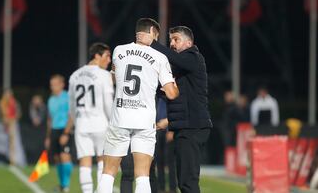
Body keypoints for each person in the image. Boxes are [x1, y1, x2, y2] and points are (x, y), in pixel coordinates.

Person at [97, 18, 179, 193]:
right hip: (144, 120)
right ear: (151, 31)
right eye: (155, 36)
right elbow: (171, 93)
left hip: (120, 116)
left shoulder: (119, 51)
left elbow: (113, 79)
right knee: (142, 175)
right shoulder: (159, 56)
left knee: (108, 173)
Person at [137, 25, 213, 193]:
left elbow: (173, 59)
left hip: (193, 127)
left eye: (176, 39)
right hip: (184, 127)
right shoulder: (180, 66)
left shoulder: (194, 57)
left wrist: (153, 44)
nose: (172, 43)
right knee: (184, 181)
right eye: (170, 39)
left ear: (189, 42)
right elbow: (176, 95)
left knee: (188, 182)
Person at [68, 43, 114, 193]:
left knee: (85, 163)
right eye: (107, 56)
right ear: (97, 56)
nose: (109, 60)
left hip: (82, 124)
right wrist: (113, 122)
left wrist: (76, 122)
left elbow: (72, 105)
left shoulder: (74, 75)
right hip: (100, 123)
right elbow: (108, 103)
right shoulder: (104, 75)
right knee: (103, 161)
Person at [45, 74, 74, 193]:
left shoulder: (67, 97)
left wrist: (66, 133)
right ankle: (62, 184)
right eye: (51, 85)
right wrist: (48, 136)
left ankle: (66, 185)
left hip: (64, 129)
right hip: (54, 130)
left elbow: (71, 116)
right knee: (57, 159)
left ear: (62, 84)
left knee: (65, 157)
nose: (53, 87)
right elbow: (50, 119)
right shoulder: (50, 99)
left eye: (55, 84)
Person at [0, 89, 21, 165]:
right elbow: (1, 113)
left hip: (12, 123)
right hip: (4, 124)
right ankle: (5, 158)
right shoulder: (2, 102)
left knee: (13, 142)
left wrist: (14, 118)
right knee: (4, 142)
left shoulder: (14, 102)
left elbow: (18, 112)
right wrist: (5, 119)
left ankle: (13, 159)